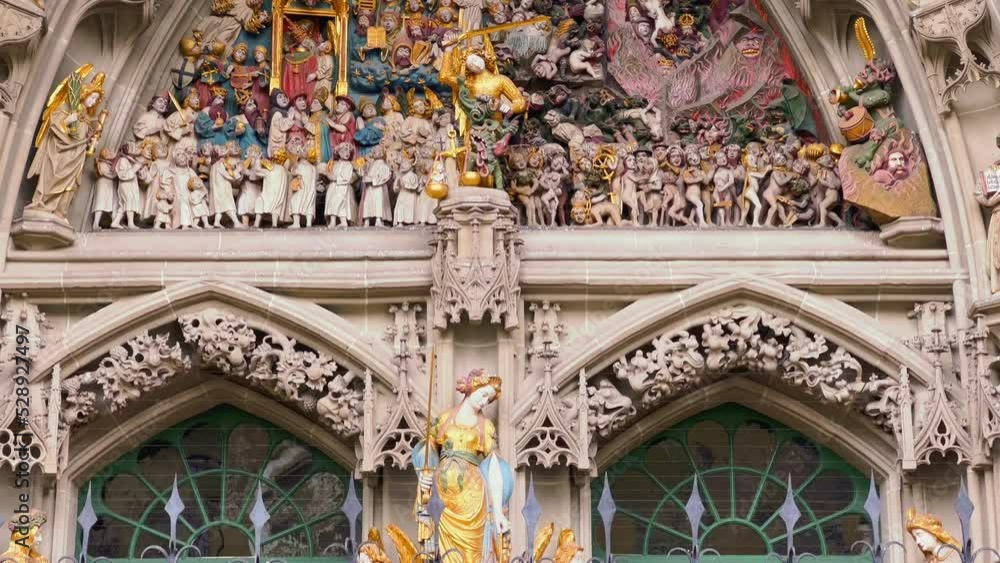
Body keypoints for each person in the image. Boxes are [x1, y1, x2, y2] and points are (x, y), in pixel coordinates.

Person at [413, 370, 513, 563]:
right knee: (441, 554)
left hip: (473, 502)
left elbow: (493, 467)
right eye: (483, 395)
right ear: (471, 388)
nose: (485, 402)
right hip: (442, 500)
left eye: (489, 400)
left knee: (471, 556)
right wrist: (424, 476)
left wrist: (499, 512)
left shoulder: (486, 427)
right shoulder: (444, 419)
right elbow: (428, 452)